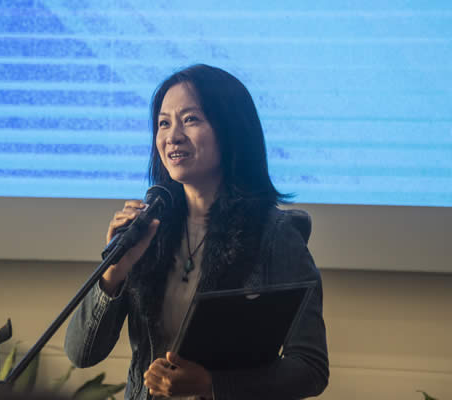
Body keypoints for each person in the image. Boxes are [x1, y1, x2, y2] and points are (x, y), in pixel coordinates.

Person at [64, 64, 329, 399]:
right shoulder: (147, 229)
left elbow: (310, 368)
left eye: (190, 119)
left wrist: (211, 384)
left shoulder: (275, 235)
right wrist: (115, 271)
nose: (172, 136)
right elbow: (82, 353)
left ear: (230, 129)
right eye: (164, 123)